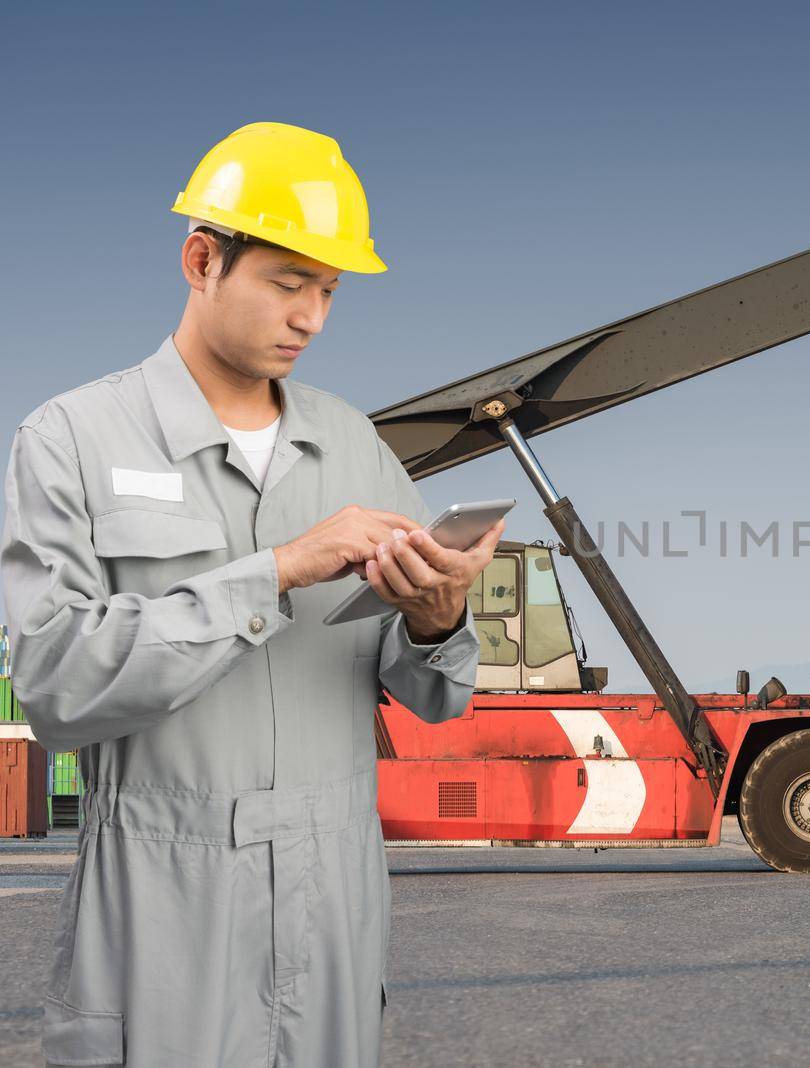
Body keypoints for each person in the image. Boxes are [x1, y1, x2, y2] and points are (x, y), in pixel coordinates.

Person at [1, 122, 500, 1067]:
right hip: (160, 897)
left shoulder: (353, 444)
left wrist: (438, 617)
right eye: (286, 282)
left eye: (328, 291)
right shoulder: (72, 439)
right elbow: (56, 683)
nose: (311, 316)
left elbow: (437, 697)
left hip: (335, 897)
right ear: (202, 261)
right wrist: (274, 572)